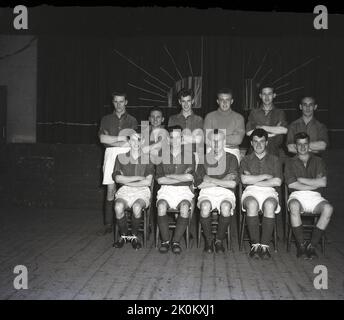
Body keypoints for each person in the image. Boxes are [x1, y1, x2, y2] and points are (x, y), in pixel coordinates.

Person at [285, 132, 333, 259]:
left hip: (315, 197)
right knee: (294, 206)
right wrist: (313, 183)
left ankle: (312, 246)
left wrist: (301, 179)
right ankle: (301, 246)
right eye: (299, 144)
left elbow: (323, 182)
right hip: (297, 195)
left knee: (328, 209)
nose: (302, 147)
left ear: (309, 145)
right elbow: (291, 185)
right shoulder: (289, 162)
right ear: (295, 146)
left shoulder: (318, 160)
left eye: (305, 144)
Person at [98, 91, 138, 235]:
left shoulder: (133, 120)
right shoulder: (106, 119)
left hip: (126, 154)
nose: (119, 104)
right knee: (110, 189)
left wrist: (114, 140)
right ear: (112, 102)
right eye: (116, 101)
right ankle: (108, 224)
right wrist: (121, 139)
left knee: (128, 188)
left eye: (121, 101)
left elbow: (132, 140)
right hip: (110, 155)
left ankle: (127, 222)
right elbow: (103, 139)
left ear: (126, 102)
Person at [240, 128, 283, 259]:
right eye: (255, 141)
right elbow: (244, 180)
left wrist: (253, 179)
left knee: (270, 204)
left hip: (269, 192)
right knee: (252, 204)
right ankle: (255, 245)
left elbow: (277, 182)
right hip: (250, 191)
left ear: (267, 143)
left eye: (262, 141)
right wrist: (265, 176)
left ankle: (264, 246)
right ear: (251, 143)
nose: (259, 145)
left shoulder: (275, 160)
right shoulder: (246, 160)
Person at [195, 129, 238, 253]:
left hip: (226, 193)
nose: (216, 144)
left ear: (224, 141)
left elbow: (232, 183)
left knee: (225, 207)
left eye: (219, 140)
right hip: (207, 193)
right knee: (205, 207)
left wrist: (210, 179)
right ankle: (209, 240)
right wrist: (222, 181)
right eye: (213, 141)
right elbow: (199, 185)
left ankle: (219, 240)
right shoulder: (204, 159)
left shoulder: (232, 158)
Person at [155, 125, 196, 254]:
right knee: (161, 206)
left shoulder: (189, 154)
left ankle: (176, 241)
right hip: (166, 189)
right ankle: (166, 241)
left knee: (184, 207)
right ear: (168, 140)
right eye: (172, 138)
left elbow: (190, 178)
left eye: (178, 137)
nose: (175, 140)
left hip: (184, 190)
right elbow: (160, 180)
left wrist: (170, 176)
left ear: (182, 139)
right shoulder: (162, 154)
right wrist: (180, 178)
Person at [112, 131, 155, 250]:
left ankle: (134, 236)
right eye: (133, 140)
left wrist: (126, 180)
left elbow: (147, 182)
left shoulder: (148, 159)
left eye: (139, 140)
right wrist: (137, 178)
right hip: (125, 190)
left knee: (137, 207)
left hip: (142, 190)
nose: (136, 143)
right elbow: (117, 179)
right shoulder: (121, 157)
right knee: (118, 207)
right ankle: (124, 235)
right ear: (129, 141)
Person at [204, 88, 245, 163]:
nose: (225, 102)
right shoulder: (209, 117)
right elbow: (207, 139)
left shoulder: (239, 118)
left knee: (232, 173)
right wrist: (230, 137)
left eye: (227, 100)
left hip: (232, 150)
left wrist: (216, 137)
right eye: (222, 99)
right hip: (213, 149)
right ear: (217, 101)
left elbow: (238, 139)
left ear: (232, 101)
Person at [246, 86, 288, 157]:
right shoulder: (254, 112)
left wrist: (261, 127)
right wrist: (274, 133)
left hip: (274, 153)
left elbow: (284, 130)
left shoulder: (280, 112)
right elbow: (248, 132)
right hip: (255, 153)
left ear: (274, 95)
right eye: (264, 94)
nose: (267, 97)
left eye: (269, 94)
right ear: (260, 96)